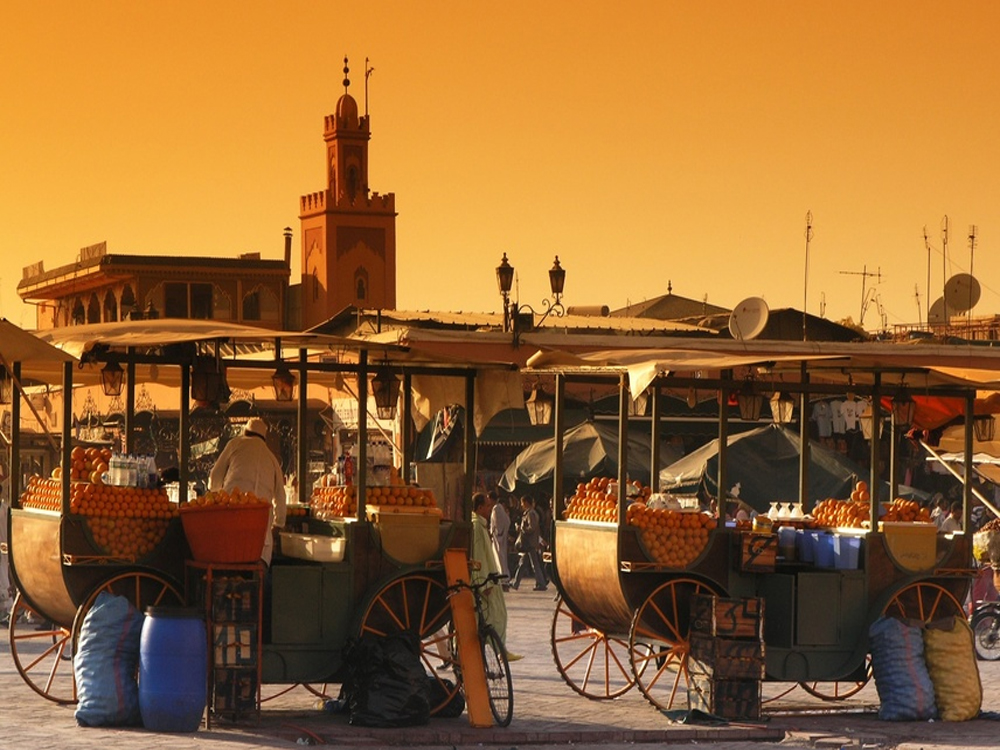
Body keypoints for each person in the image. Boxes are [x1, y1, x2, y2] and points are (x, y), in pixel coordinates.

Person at [209, 417, 287, 565]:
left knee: (229, 567)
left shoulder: (235, 444)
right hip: (261, 540)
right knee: (258, 577)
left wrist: (216, 496)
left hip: (231, 523)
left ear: (245, 432)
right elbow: (281, 499)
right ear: (264, 438)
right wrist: (277, 526)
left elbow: (215, 477)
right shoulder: (272, 458)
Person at [471, 492, 521, 660]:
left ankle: (500, 648)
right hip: (485, 581)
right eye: (486, 506)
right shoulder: (477, 526)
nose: (489, 508)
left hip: (489, 577)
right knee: (496, 615)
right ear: (479, 508)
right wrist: (483, 583)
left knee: (496, 614)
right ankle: (499, 649)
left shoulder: (480, 524)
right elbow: (478, 555)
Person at [511, 496, 547, 591]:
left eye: (522, 503)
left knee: (534, 564)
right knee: (523, 563)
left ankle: (541, 583)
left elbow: (532, 527)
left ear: (526, 502)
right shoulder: (529, 513)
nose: (521, 505)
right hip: (528, 543)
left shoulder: (531, 514)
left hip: (529, 543)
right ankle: (516, 583)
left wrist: (521, 529)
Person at [489, 490, 511, 586]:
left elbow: (497, 522)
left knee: (500, 556)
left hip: (498, 536)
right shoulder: (499, 507)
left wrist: (499, 533)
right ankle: (504, 575)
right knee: (500, 556)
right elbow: (507, 521)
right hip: (499, 535)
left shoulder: (496, 508)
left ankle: (503, 576)